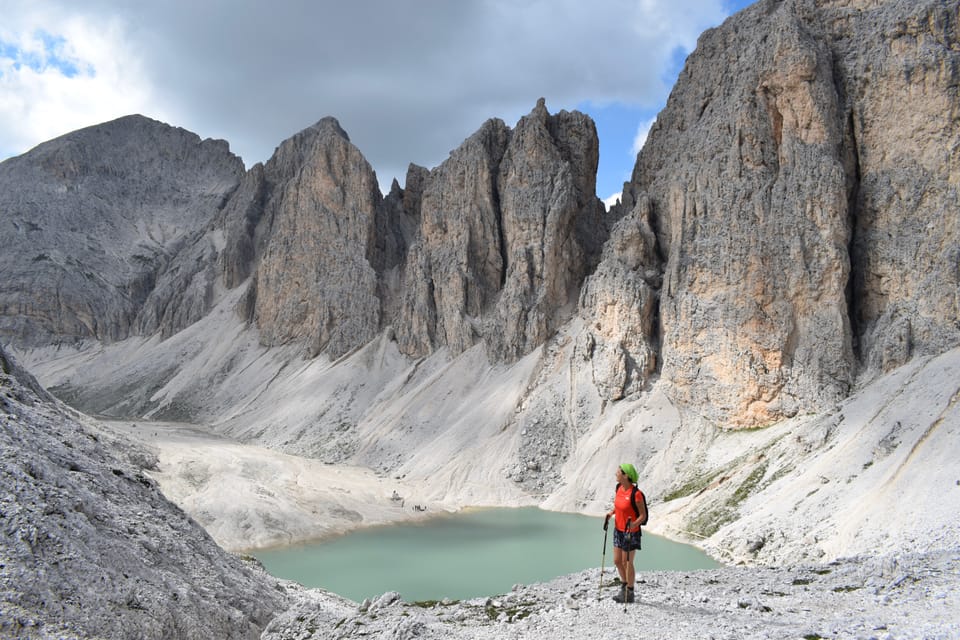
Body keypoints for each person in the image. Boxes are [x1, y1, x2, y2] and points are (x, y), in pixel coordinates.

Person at [605, 463, 646, 604]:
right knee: (617, 561)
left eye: (618, 472)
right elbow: (619, 507)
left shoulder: (636, 494)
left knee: (627, 562)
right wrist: (611, 513)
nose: (615, 474)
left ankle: (630, 591)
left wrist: (634, 524)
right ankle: (624, 585)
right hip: (618, 530)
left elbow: (643, 516)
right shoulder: (618, 488)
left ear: (626, 475)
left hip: (631, 532)